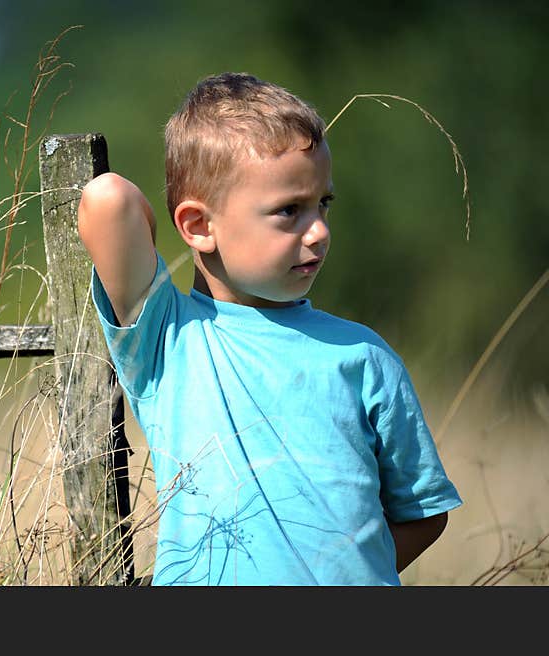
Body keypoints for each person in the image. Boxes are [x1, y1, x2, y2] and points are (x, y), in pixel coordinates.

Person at [76, 72, 462, 585]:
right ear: (197, 226)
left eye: (323, 203)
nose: (320, 229)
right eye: (289, 211)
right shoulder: (169, 339)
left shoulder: (364, 356)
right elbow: (108, 199)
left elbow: (423, 512)